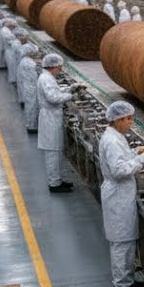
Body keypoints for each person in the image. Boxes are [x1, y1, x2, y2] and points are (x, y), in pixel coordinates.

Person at [99, 101, 144, 287]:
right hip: (118, 194)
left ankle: (126, 280)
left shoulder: (116, 136)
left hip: (122, 194)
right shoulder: (111, 141)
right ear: (117, 120)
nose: (131, 122)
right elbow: (119, 170)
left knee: (126, 239)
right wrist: (143, 159)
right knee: (121, 241)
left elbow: (123, 157)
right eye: (128, 119)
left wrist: (138, 151)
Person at [37, 53, 84, 193]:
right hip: (50, 118)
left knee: (56, 151)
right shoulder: (46, 79)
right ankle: (54, 184)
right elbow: (53, 98)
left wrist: (70, 88)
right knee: (53, 152)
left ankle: (56, 180)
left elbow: (55, 92)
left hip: (52, 117)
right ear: (53, 66)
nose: (60, 70)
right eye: (59, 67)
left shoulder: (48, 77)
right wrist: (72, 96)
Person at [17, 45, 41, 133]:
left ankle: (31, 124)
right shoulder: (29, 63)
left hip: (28, 86)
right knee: (32, 107)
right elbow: (35, 77)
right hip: (31, 88)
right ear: (31, 52)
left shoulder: (25, 60)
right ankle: (32, 127)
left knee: (30, 106)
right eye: (35, 51)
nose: (37, 53)